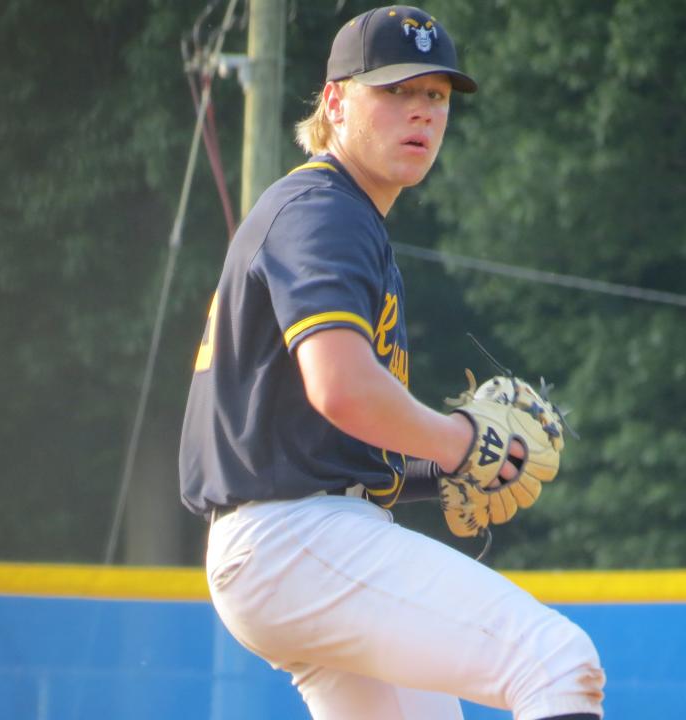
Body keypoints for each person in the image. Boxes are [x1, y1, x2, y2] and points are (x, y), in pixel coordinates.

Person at [179, 6, 605, 719]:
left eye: (435, 95)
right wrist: (464, 440)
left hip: (293, 540)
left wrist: (448, 470)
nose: (422, 112)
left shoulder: (339, 219)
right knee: (558, 665)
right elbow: (341, 388)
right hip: (294, 537)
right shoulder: (324, 210)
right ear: (337, 101)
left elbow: (330, 440)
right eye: (396, 90)